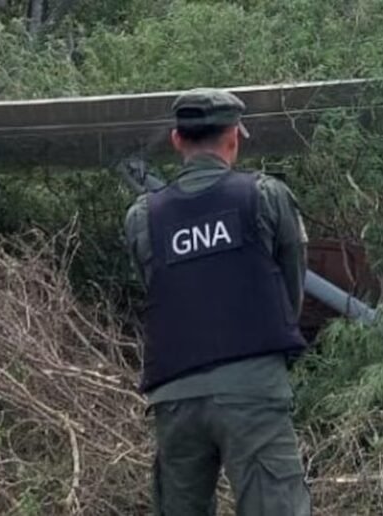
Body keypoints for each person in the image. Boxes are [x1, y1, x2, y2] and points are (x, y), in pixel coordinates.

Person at [123, 88, 311, 516]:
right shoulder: (266, 196)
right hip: (253, 387)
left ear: (177, 140)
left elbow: (158, 288)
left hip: (175, 395)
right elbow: (291, 288)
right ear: (234, 137)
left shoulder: (142, 217)